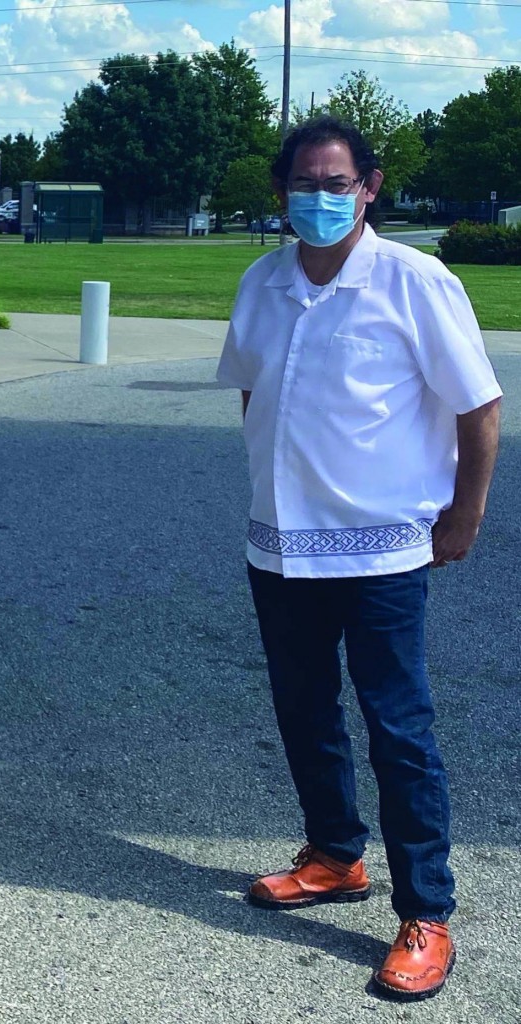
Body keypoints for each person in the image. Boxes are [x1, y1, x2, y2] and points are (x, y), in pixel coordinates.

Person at [216, 116, 502, 1002]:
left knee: (398, 727)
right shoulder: (262, 282)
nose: (321, 198)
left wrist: (466, 513)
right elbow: (255, 396)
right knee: (304, 710)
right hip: (281, 545)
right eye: (305, 184)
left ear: (369, 187)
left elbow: (479, 407)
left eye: (338, 184)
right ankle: (335, 854)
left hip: (380, 551)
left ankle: (427, 912)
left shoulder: (415, 282)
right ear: (281, 193)